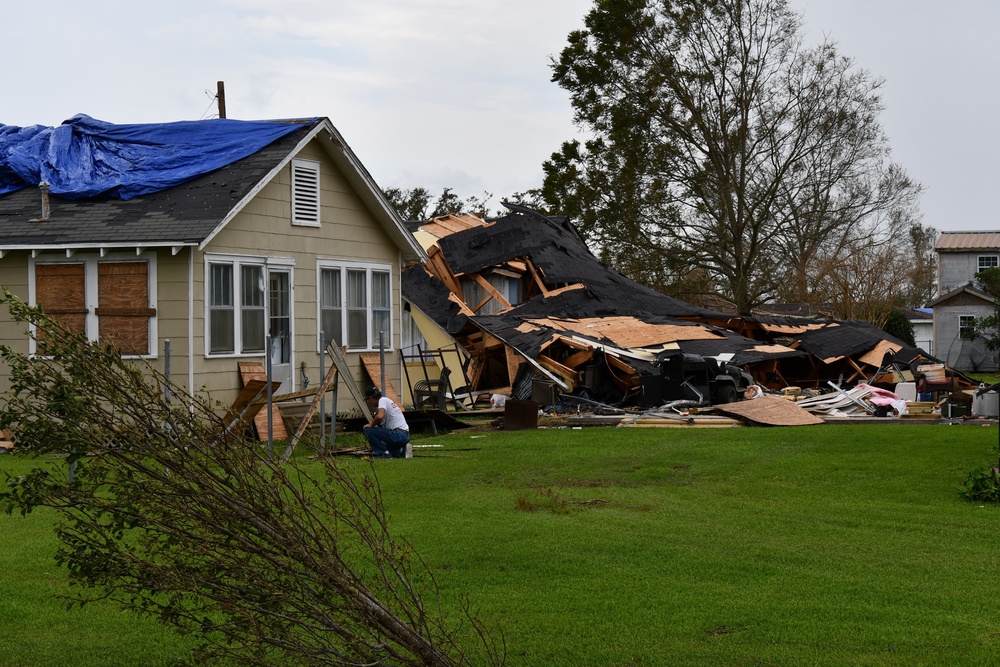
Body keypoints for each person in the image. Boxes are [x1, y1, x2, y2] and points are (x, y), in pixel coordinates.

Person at [362, 386, 410, 458]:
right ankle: (399, 451)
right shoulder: (387, 402)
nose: (369, 402)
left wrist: (371, 425)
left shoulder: (382, 400)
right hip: (404, 435)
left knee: (368, 430)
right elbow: (382, 430)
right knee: (391, 453)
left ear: (371, 398)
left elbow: (379, 416)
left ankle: (383, 453)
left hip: (398, 434)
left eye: (368, 400)